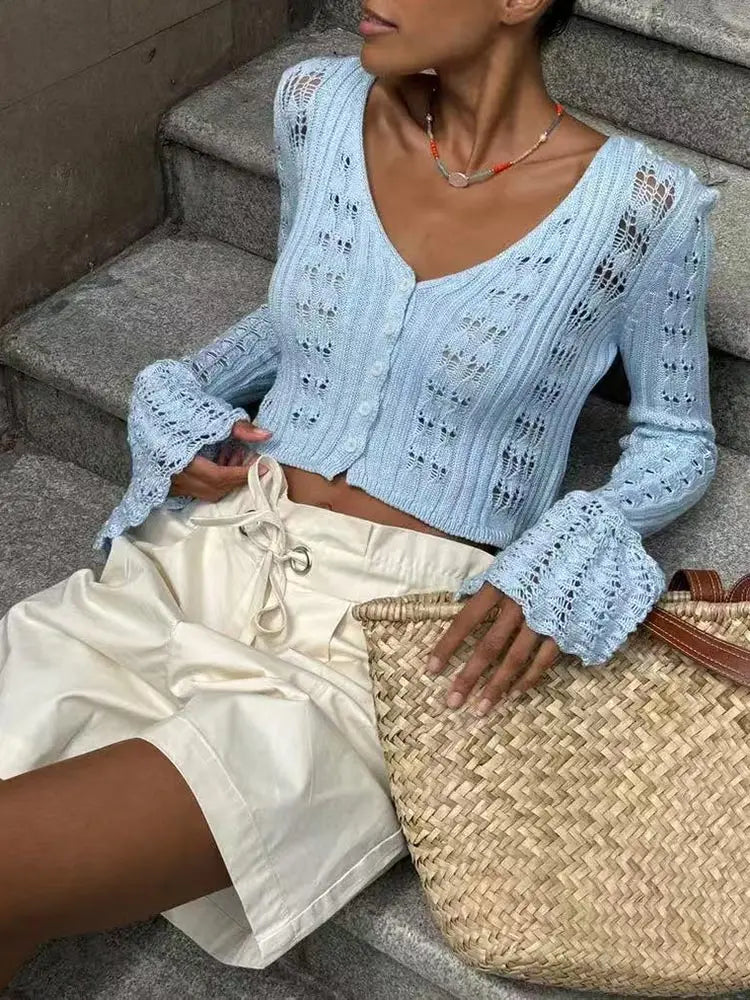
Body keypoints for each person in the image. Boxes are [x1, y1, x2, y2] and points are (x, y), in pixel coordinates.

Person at [0, 0, 720, 987]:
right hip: (202, 557)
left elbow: (678, 437)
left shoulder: (644, 205)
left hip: (376, 647)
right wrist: (182, 389)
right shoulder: (317, 105)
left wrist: (590, 529)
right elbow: (298, 316)